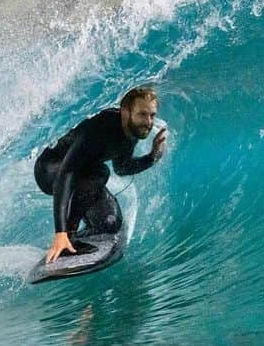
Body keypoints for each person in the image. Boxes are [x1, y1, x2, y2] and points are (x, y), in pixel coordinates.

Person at [34, 85, 166, 265]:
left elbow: (122, 168)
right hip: (49, 170)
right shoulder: (100, 129)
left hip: (82, 173)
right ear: (125, 112)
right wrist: (61, 232)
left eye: (152, 115)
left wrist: (152, 157)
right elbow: (66, 174)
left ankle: (82, 228)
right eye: (142, 114)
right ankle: (68, 237)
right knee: (100, 172)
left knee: (108, 224)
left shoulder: (133, 131)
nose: (149, 122)